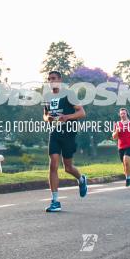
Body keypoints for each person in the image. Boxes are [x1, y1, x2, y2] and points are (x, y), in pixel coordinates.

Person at [43, 70, 88, 212]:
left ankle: (81, 179)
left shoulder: (69, 94)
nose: (51, 81)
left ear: (60, 80)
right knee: (53, 165)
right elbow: (45, 115)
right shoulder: (47, 96)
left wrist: (67, 117)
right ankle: (55, 201)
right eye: (49, 79)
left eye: (54, 78)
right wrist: (48, 118)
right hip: (55, 132)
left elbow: (82, 112)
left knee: (68, 167)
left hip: (68, 132)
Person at [111, 107, 130, 186]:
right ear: (119, 115)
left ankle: (128, 178)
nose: (123, 115)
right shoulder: (117, 124)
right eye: (121, 114)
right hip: (121, 146)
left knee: (126, 160)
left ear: (127, 113)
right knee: (124, 164)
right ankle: (128, 176)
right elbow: (114, 137)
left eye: (124, 113)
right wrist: (117, 131)